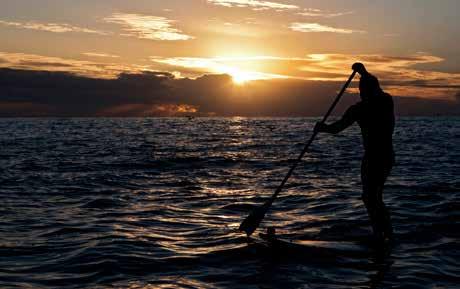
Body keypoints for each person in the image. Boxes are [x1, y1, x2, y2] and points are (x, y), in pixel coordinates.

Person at [314, 63, 395, 244]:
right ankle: (381, 234)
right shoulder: (362, 108)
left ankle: (384, 235)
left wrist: (364, 72)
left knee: (372, 196)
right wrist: (323, 128)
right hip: (374, 157)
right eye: (361, 89)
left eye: (364, 89)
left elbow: (336, 128)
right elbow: (337, 128)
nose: (361, 92)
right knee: (371, 197)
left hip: (382, 156)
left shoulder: (383, 102)